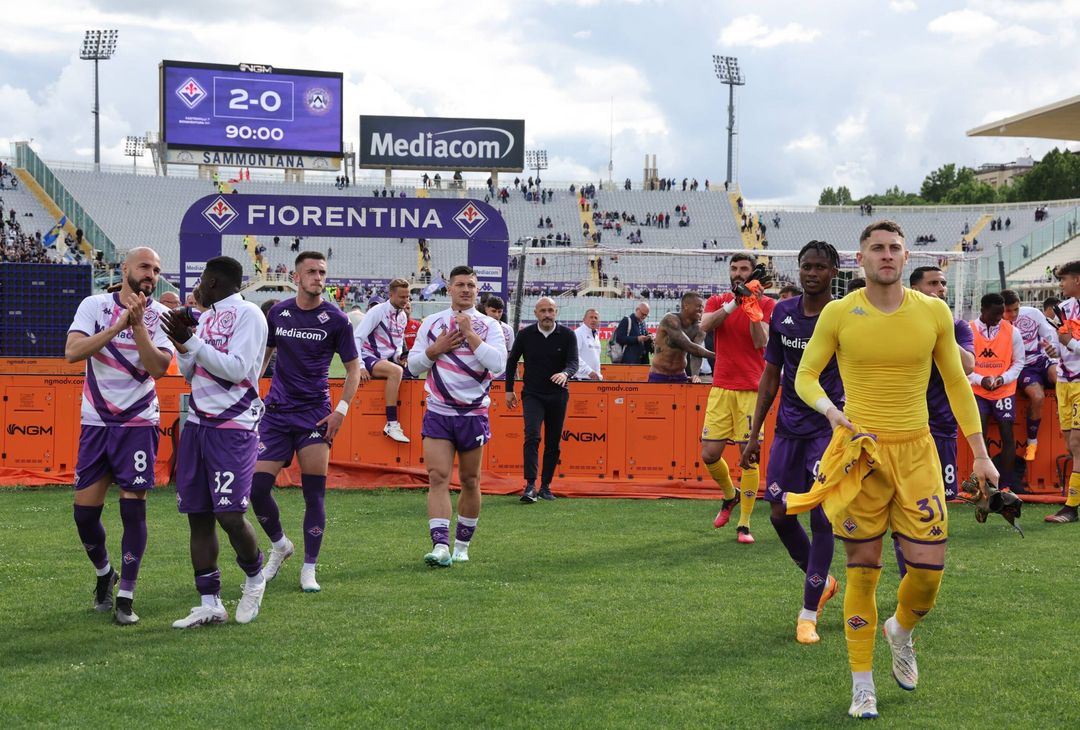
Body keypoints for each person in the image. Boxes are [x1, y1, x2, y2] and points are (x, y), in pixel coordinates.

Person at [791, 220, 997, 720]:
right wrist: (831, 411)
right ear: (860, 260)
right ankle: (862, 686)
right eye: (877, 248)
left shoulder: (933, 311)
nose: (886, 255)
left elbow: (957, 383)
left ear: (906, 258)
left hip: (918, 453)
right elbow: (805, 376)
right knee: (862, 572)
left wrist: (981, 453)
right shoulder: (840, 312)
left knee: (927, 577)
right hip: (860, 454)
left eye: (894, 248)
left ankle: (900, 629)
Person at [740, 241, 843, 645]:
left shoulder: (843, 315)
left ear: (834, 272)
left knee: (821, 517)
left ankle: (808, 613)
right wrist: (754, 435)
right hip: (787, 430)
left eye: (820, 267)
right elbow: (771, 375)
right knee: (780, 515)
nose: (811, 273)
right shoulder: (783, 312)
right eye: (806, 266)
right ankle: (824, 582)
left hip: (827, 431)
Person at [64, 247, 173, 625]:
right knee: (84, 515)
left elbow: (159, 368)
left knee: (133, 508)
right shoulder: (94, 306)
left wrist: (138, 325)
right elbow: (72, 352)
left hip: (138, 422)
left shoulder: (161, 316)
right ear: (125, 268)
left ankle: (126, 594)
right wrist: (117, 326)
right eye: (144, 266)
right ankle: (104, 573)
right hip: (96, 422)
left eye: (156, 270)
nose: (150, 274)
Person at [162, 256, 271, 628]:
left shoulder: (249, 315)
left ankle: (255, 578)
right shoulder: (206, 318)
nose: (196, 288)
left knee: (229, 515)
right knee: (198, 515)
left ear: (211, 282)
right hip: (197, 424)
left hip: (233, 426)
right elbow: (191, 373)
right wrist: (182, 344)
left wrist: (192, 341)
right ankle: (210, 603)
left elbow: (237, 369)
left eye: (200, 281)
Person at [251, 252, 362, 593]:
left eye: (322, 272)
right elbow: (264, 354)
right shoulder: (278, 312)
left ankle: (309, 568)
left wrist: (341, 410)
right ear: (296, 277)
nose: (318, 277)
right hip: (276, 414)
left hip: (316, 415)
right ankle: (280, 545)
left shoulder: (337, 319)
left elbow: (354, 369)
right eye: (311, 272)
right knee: (256, 489)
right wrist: (251, 391)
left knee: (314, 494)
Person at [407, 266, 507, 565]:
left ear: (477, 291)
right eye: (460, 284)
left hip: (473, 413)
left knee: (470, 480)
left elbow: (498, 364)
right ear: (449, 289)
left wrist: (470, 334)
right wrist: (434, 350)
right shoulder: (432, 323)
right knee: (437, 477)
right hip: (438, 411)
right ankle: (440, 546)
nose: (465, 289)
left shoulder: (490, 326)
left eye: (471, 285)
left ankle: (462, 546)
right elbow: (413, 366)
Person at [700, 253, 776, 544]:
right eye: (734, 268)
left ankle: (744, 524)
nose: (737, 273)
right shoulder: (717, 301)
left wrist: (751, 305)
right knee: (709, 454)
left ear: (752, 273)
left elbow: (761, 341)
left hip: (752, 390)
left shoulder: (768, 304)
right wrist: (735, 301)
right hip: (721, 387)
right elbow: (706, 325)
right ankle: (730, 495)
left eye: (743, 268)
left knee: (749, 458)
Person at [909, 267, 976, 506]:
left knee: (939, 500)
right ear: (915, 289)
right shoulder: (901, 326)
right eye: (933, 283)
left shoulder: (957, 327)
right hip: (905, 426)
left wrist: (941, 331)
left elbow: (968, 366)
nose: (941, 289)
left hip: (942, 425)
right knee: (903, 498)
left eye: (943, 283)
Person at [506, 297, 579, 502]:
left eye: (551, 310)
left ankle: (546, 486)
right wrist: (508, 390)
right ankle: (530, 485)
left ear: (556, 312)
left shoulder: (568, 335)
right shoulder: (525, 334)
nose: (547, 314)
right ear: (535, 313)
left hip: (558, 395)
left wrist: (565, 373)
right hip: (532, 394)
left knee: (553, 442)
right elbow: (512, 361)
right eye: (543, 311)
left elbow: (573, 362)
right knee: (532, 436)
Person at [968, 292, 1024, 491]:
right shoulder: (969, 330)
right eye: (994, 314)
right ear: (983, 310)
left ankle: (1005, 485)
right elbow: (960, 364)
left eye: (1001, 314)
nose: (999, 318)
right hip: (978, 390)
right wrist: (980, 380)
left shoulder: (1012, 331)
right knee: (980, 435)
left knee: (1007, 435)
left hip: (1004, 390)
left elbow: (1019, 362)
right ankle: (984, 485)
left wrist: (1002, 379)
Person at [1001, 289, 1059, 462]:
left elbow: (1050, 336)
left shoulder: (1033, 314)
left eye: (1016, 309)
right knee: (1037, 396)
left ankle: (1067, 418)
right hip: (1023, 368)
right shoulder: (998, 324)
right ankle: (1032, 442)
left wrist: (1051, 349)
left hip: (1042, 360)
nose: (1013, 314)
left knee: (1060, 377)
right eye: (1008, 311)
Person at [355, 278, 411, 442]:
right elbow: (356, 338)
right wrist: (360, 366)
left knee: (412, 370)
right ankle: (391, 424)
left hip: (384, 360)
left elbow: (397, 345)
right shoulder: (377, 311)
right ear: (391, 295)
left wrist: (399, 357)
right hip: (368, 357)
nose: (405, 300)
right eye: (402, 297)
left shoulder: (403, 316)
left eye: (407, 297)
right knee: (396, 372)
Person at [1049, 261, 1080, 523]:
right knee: (1071, 445)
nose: (1061, 284)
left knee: (1077, 444)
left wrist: (1070, 343)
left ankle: (1071, 507)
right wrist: (1053, 351)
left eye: (1064, 279)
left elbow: (1069, 341)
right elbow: (1060, 343)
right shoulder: (1063, 308)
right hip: (1064, 381)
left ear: (1077, 280)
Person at [649, 292, 714, 383]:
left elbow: (696, 353)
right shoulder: (670, 320)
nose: (701, 310)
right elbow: (689, 346)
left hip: (680, 375)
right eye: (698, 306)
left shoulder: (699, 328)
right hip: (659, 374)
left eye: (702, 307)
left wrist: (695, 375)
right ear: (686, 306)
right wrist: (717, 356)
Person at [573, 309, 603, 380]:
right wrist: (589, 371)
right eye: (591, 317)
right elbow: (574, 356)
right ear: (584, 320)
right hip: (580, 378)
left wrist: (598, 374)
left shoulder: (595, 335)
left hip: (593, 379)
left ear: (598, 321)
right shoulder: (578, 333)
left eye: (596, 318)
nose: (593, 320)